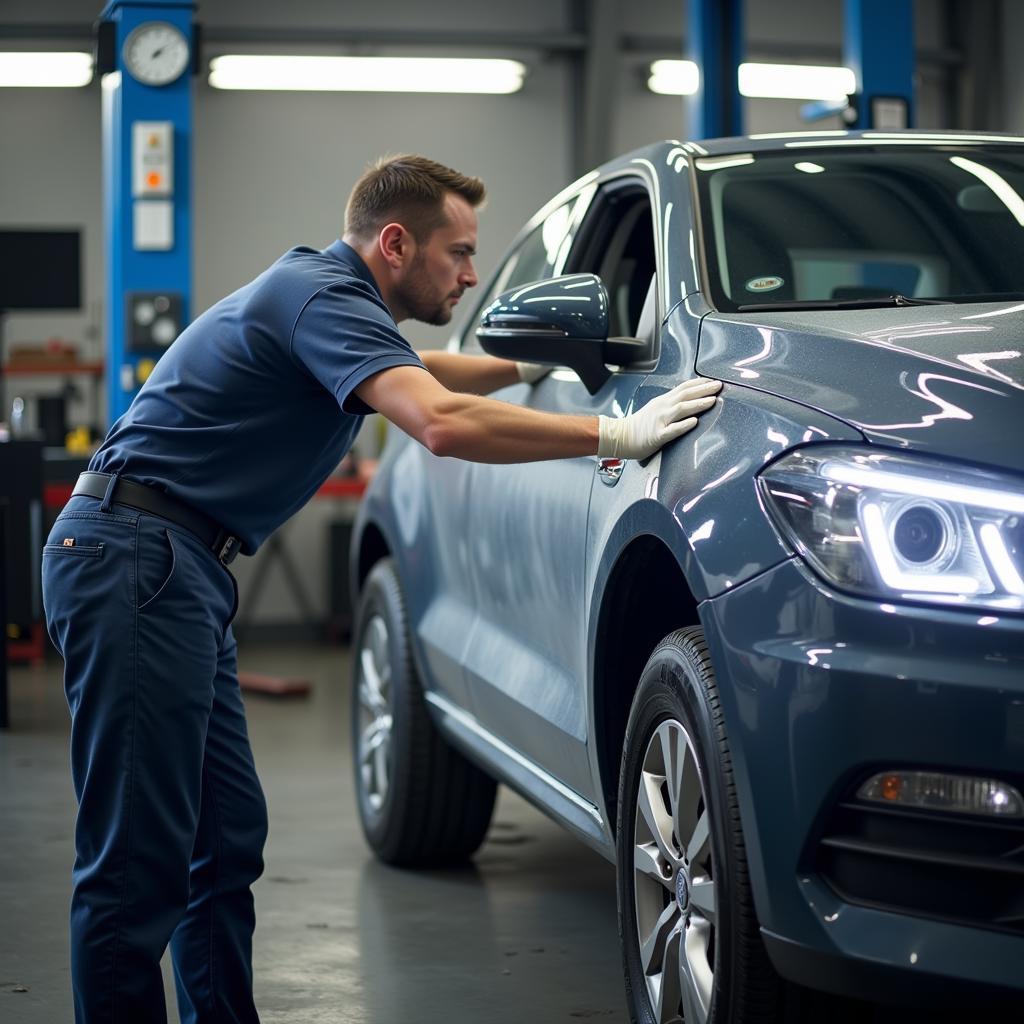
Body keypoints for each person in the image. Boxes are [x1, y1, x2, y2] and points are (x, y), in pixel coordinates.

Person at [41, 154, 721, 1023]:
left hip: (173, 569)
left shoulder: (332, 302)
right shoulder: (322, 299)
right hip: (134, 561)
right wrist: (614, 432)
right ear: (396, 243)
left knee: (222, 843)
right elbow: (435, 420)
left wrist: (538, 367)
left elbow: (437, 372)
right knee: (136, 863)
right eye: (459, 253)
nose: (472, 275)